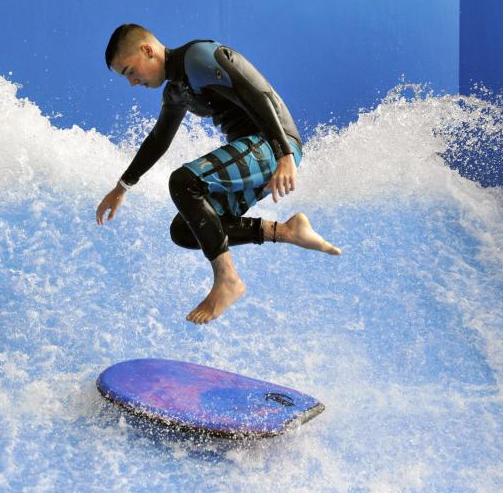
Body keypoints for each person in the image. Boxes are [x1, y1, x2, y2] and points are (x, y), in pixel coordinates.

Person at [96, 24, 340, 324]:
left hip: (272, 145)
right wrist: (121, 187)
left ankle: (227, 280)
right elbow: (158, 140)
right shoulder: (176, 90)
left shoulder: (198, 56)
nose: (132, 82)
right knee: (185, 230)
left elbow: (256, 94)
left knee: (184, 182)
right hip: (256, 154)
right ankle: (288, 231)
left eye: (129, 71)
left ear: (147, 50)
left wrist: (284, 154)